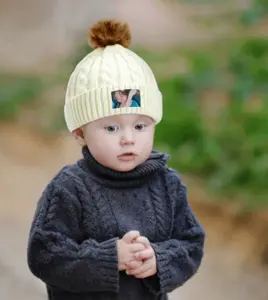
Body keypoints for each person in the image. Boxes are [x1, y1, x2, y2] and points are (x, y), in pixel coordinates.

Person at [27, 19, 205, 300]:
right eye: (111, 128)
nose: (128, 139)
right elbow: (44, 254)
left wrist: (158, 259)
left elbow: (191, 242)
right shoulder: (69, 188)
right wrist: (111, 257)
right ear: (79, 132)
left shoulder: (167, 184)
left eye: (140, 126)